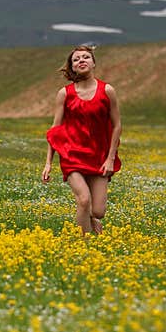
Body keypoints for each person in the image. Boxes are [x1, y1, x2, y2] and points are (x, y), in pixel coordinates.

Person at [41, 45, 122, 235]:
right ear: (72, 67)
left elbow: (117, 125)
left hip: (99, 156)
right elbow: (55, 129)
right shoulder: (65, 94)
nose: (81, 60)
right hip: (72, 155)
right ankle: (84, 245)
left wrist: (110, 158)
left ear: (93, 63)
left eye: (86, 57)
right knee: (84, 200)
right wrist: (48, 163)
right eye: (76, 59)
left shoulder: (107, 91)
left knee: (98, 211)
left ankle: (93, 221)